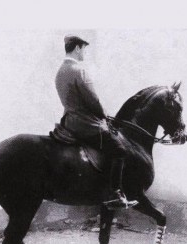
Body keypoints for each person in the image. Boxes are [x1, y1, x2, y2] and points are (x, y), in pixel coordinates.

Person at [52, 35, 138, 210]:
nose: (84, 53)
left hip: (69, 123)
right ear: (77, 48)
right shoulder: (79, 70)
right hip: (86, 125)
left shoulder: (60, 71)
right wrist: (105, 114)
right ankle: (115, 194)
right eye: (84, 48)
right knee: (120, 150)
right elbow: (93, 100)